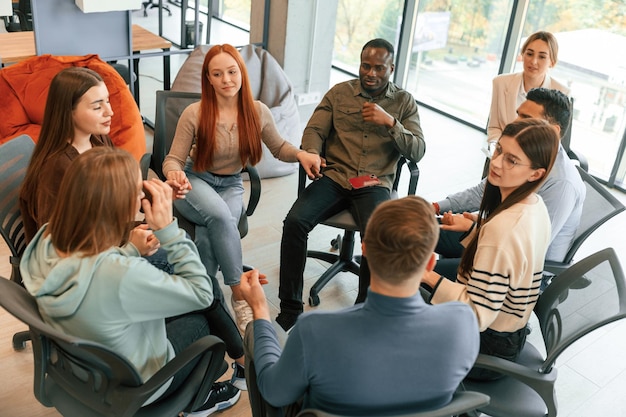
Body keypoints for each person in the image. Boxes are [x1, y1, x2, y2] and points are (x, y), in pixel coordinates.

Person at [18, 66, 249, 391]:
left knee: (195, 274)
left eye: (107, 101)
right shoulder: (55, 172)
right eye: (97, 105)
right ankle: (232, 367)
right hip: (101, 274)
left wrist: (155, 196)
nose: (110, 111)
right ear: (67, 111)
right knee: (200, 291)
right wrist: (143, 236)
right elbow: (75, 243)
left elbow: (108, 195)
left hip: (104, 260)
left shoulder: (97, 141)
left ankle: (238, 355)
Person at [20, 147, 241, 416]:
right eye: (137, 191)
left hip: (82, 367)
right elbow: (201, 292)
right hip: (137, 386)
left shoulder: (45, 240)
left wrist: (130, 250)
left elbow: (90, 270)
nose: (142, 196)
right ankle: (206, 394)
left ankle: (236, 361)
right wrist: (169, 231)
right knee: (201, 318)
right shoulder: (121, 275)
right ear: (117, 208)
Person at [239, 196, 479, 416]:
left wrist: (260, 311)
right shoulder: (463, 322)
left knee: (259, 333)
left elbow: (274, 392)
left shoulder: (316, 331)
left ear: (364, 250)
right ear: (429, 263)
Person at [163, 44, 321, 334]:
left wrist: (300, 154)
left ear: (241, 73)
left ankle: (201, 300)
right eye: (218, 74)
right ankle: (238, 294)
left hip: (231, 183)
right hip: (194, 181)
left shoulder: (257, 111)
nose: (226, 80)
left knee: (212, 239)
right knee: (222, 219)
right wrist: (174, 174)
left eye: (232, 72)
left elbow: (280, 147)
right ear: (208, 79)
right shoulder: (194, 113)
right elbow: (172, 159)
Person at [276, 38, 426, 331]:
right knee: (294, 222)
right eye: (365, 65)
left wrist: (390, 123)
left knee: (377, 236)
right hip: (335, 176)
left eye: (379, 68)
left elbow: (418, 150)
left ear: (391, 68)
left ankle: (363, 314)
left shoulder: (404, 102)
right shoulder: (339, 93)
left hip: (374, 183)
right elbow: (315, 130)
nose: (370, 73)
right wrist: (312, 153)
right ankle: (290, 307)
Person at [422, 118, 560, 380]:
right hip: (510, 331)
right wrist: (476, 226)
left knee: (401, 309)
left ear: (535, 174)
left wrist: (424, 274)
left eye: (512, 160)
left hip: (486, 349)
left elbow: (476, 315)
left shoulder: (503, 229)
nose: (496, 163)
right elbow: (512, 252)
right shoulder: (536, 205)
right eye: (499, 151)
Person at [433, 88, 585, 280]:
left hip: (514, 270)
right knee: (412, 228)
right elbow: (483, 191)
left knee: (411, 273)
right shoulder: (520, 154)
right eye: (518, 114)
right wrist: (437, 207)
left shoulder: (562, 183)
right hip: (489, 235)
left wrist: (478, 227)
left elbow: (527, 247)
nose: (515, 123)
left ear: (552, 131)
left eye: (527, 118)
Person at [487, 31, 569, 145]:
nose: (533, 61)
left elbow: (553, 142)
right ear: (523, 55)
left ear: (552, 62)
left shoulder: (562, 92)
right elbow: (494, 127)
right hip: (502, 151)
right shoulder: (500, 83)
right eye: (529, 54)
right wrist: (499, 148)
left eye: (542, 57)